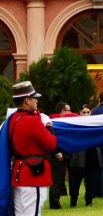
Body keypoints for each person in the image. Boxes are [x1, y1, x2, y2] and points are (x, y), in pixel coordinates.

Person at [8, 81, 60, 216]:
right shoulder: (32, 121)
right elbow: (51, 144)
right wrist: (48, 127)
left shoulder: (13, 118)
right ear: (27, 101)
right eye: (34, 98)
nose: (36, 101)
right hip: (33, 175)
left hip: (19, 172)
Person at [47, 103, 74, 210]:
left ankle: (56, 201)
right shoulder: (54, 124)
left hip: (63, 156)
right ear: (62, 112)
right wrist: (56, 153)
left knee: (59, 180)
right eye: (69, 110)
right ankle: (54, 204)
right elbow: (52, 140)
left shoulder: (61, 123)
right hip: (58, 156)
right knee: (56, 180)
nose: (70, 112)